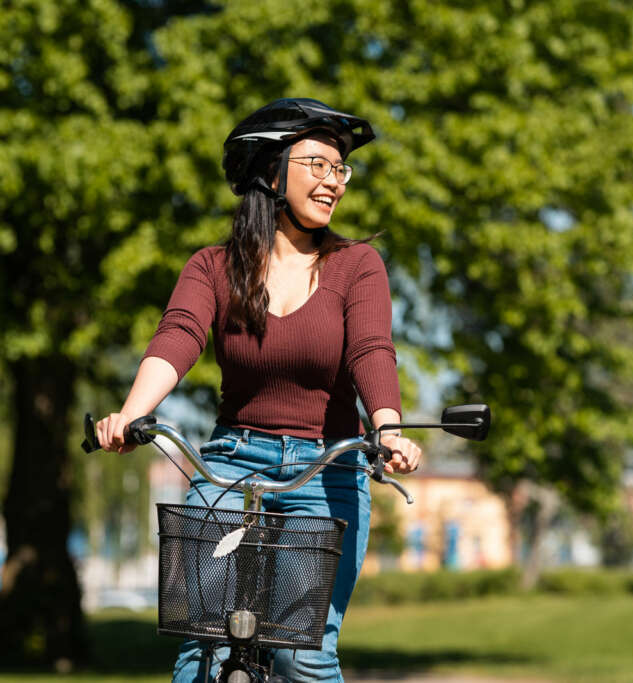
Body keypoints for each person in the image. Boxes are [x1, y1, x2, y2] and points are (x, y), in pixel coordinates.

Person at [95, 97, 422, 682]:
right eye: (317, 165)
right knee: (202, 649)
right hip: (230, 464)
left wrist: (387, 427)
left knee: (304, 656)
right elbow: (179, 336)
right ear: (271, 172)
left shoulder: (357, 266)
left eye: (340, 169)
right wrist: (130, 414)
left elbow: (372, 349)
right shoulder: (212, 268)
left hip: (324, 473)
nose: (334, 182)